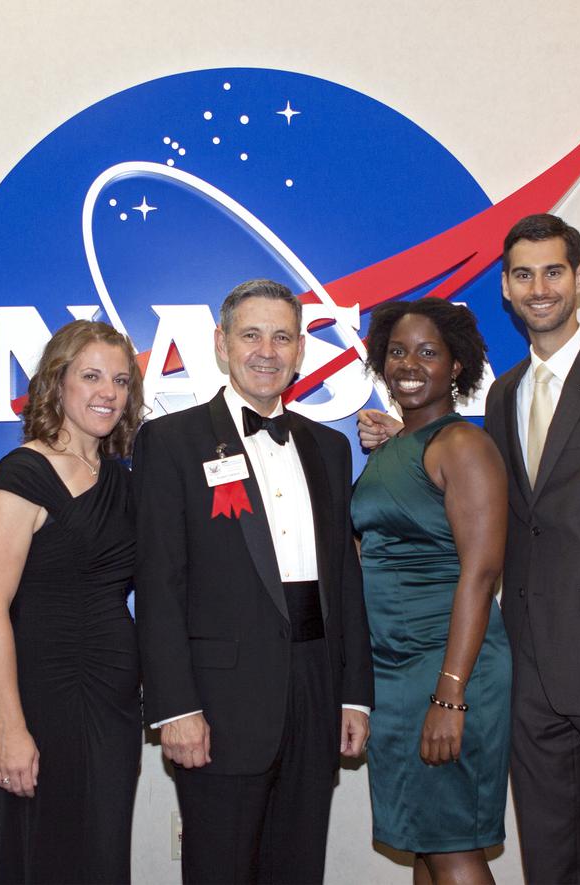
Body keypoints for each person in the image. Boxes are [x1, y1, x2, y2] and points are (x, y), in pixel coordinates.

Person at [361, 214, 580, 883]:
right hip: (532, 679)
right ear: (505, 290)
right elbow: (486, 503)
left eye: (553, 271)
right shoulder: (505, 393)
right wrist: (405, 438)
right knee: (554, 864)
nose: (538, 287)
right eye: (522, 274)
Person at [133, 278, 374, 884]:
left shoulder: (329, 447)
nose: (266, 351)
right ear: (221, 344)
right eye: (251, 335)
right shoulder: (171, 441)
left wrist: (353, 694)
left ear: (299, 351)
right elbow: (159, 585)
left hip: (316, 695)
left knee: (297, 870)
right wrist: (175, 708)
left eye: (282, 337)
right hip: (218, 704)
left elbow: (345, 579)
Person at [0, 320, 145, 884]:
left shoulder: (123, 478)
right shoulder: (24, 474)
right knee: (44, 856)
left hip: (114, 702)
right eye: (91, 376)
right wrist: (10, 729)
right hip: (43, 699)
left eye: (120, 380)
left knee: (102, 857)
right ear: (57, 383)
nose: (107, 392)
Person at [351, 297, 510, 884]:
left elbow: (481, 574)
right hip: (394, 673)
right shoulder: (399, 447)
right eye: (397, 351)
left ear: (457, 366)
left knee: (453, 847)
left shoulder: (463, 446)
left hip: (447, 668)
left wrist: (450, 695)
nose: (408, 365)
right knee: (428, 839)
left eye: (427, 352)